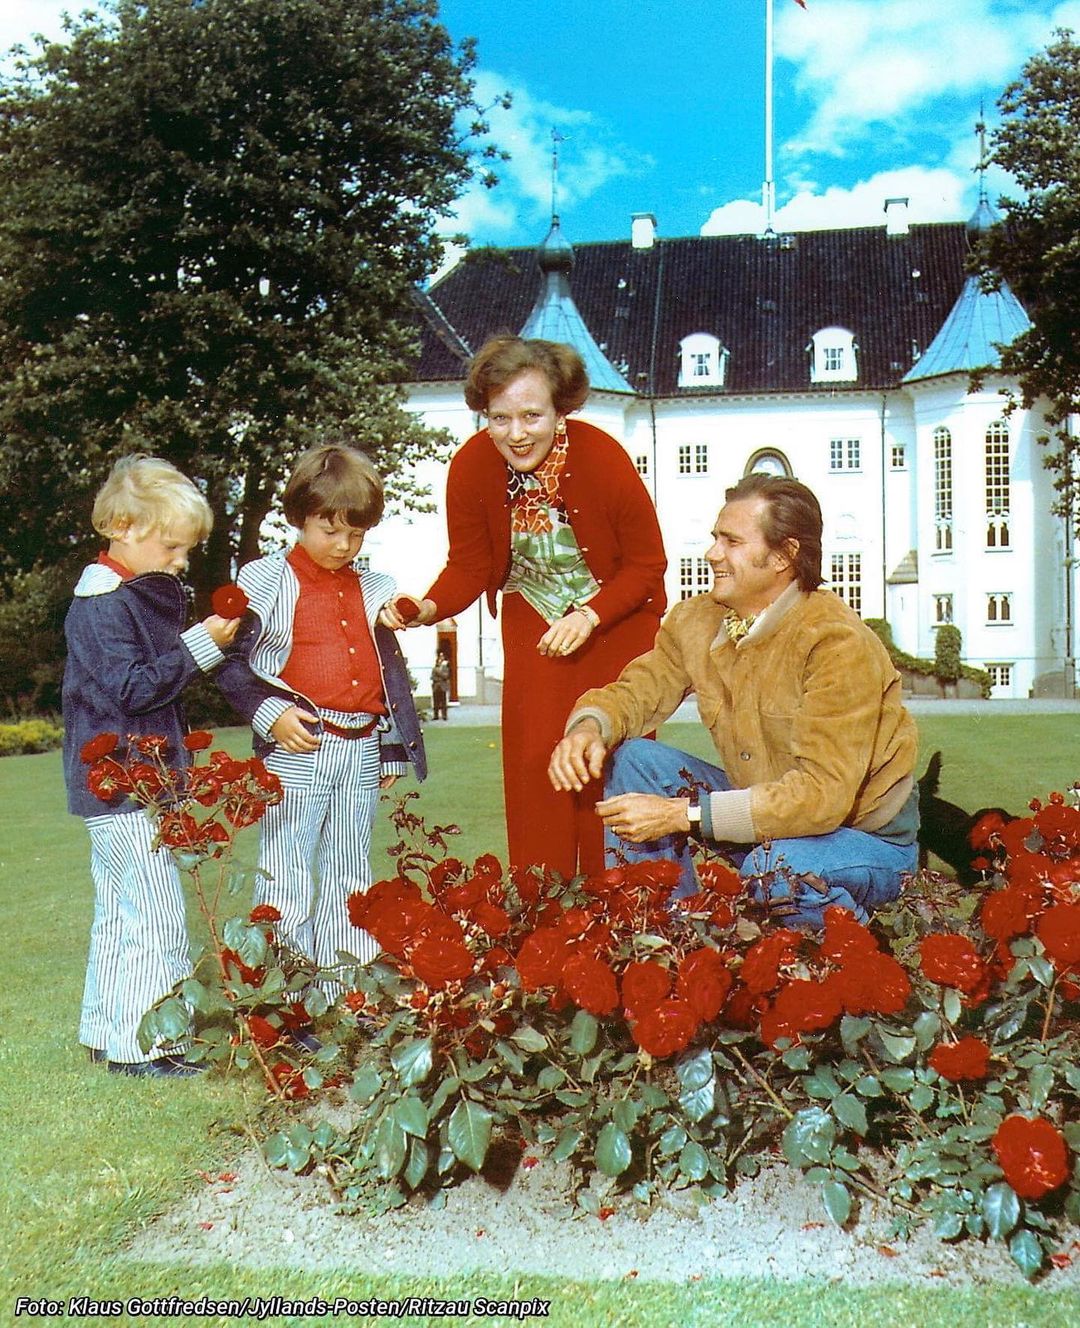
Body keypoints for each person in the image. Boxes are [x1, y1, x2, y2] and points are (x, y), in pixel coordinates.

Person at [548, 473, 919, 927]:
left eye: (732, 542)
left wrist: (681, 815)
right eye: (714, 538)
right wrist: (589, 727)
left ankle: (858, 959)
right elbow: (640, 688)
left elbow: (823, 798)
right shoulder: (696, 620)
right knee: (635, 761)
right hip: (767, 816)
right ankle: (664, 942)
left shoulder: (837, 643)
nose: (712, 554)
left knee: (772, 871)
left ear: (784, 555)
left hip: (861, 837)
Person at [384, 336, 666, 877]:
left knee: (610, 762)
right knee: (539, 767)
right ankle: (544, 914)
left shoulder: (603, 458)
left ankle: (627, 906)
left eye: (532, 415)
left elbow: (647, 565)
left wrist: (589, 615)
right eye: (499, 418)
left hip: (616, 624)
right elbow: (470, 565)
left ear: (561, 410)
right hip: (533, 620)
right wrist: (427, 606)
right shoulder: (470, 467)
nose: (516, 434)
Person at [63, 455, 255, 1077]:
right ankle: (149, 1047)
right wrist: (201, 643)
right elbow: (135, 689)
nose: (180, 560)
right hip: (121, 788)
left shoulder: (125, 599)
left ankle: (107, 1028)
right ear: (123, 525)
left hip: (131, 785)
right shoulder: (100, 605)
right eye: (172, 546)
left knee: (121, 912)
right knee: (156, 917)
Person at [235, 444, 425, 996]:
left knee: (350, 872)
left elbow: (385, 671)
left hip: (360, 747)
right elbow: (228, 661)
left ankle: (346, 991)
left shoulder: (373, 587)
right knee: (286, 870)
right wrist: (270, 715)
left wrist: (391, 744)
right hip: (298, 745)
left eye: (357, 534)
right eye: (329, 530)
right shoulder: (265, 579)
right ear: (299, 518)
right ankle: (285, 999)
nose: (343, 546)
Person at [430, 648, 451, 721]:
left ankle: (444, 716)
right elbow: (432, 677)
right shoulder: (434, 668)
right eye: (440, 657)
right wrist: (439, 677)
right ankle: (436, 716)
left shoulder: (445, 667)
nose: (441, 658)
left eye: (442, 657)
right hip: (436, 686)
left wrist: (438, 672)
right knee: (436, 702)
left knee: (443, 702)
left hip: (443, 686)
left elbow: (446, 676)